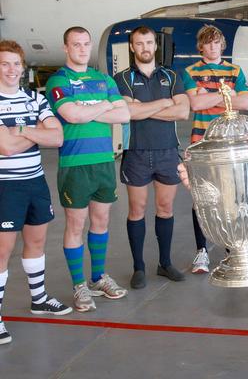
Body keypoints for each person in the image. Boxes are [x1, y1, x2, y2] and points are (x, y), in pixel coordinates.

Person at [45, 26, 131, 312]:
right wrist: (104, 105)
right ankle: (79, 285)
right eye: (76, 45)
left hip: (103, 162)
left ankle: (97, 278)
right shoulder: (59, 79)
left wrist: (90, 108)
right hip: (75, 165)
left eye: (86, 44)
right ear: (66, 48)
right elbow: (71, 114)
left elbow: (124, 113)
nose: (82, 49)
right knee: (75, 225)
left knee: (101, 222)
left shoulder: (103, 78)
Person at [0, 40, 72, 345]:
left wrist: (22, 131)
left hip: (35, 181)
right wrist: (35, 131)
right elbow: (4, 147)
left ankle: (39, 299)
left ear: (23, 66)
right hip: (5, 187)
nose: (12, 70)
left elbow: (57, 137)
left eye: (16, 63)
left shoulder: (34, 98)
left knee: (37, 241)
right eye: (5, 63)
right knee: (2, 251)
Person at [114, 26, 189, 289]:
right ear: (132, 47)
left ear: (155, 46)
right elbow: (127, 113)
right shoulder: (121, 77)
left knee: (165, 209)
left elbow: (182, 112)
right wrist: (164, 104)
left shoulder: (171, 75)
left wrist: (142, 109)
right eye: (139, 43)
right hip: (136, 152)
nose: (145, 47)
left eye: (149, 42)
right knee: (136, 210)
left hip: (168, 150)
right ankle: (139, 267)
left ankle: (165, 263)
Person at [182, 25, 248, 274]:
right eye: (207, 43)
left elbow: (245, 102)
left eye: (216, 43)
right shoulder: (190, 71)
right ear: (200, 46)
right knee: (201, 197)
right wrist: (227, 94)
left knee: (230, 197)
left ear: (222, 45)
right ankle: (201, 250)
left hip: (229, 143)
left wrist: (209, 95)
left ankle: (231, 247)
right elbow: (195, 103)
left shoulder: (235, 70)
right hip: (201, 143)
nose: (212, 47)